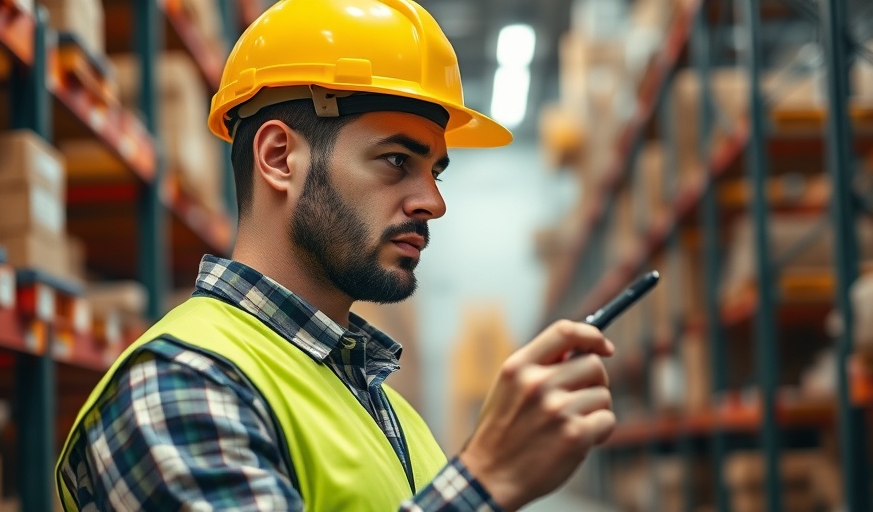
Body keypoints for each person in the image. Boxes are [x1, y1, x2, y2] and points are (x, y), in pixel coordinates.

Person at [56, 0, 617, 510]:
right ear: (279, 158)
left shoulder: (383, 408)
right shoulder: (180, 390)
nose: (434, 203)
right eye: (397, 160)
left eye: (436, 172)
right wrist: (486, 480)